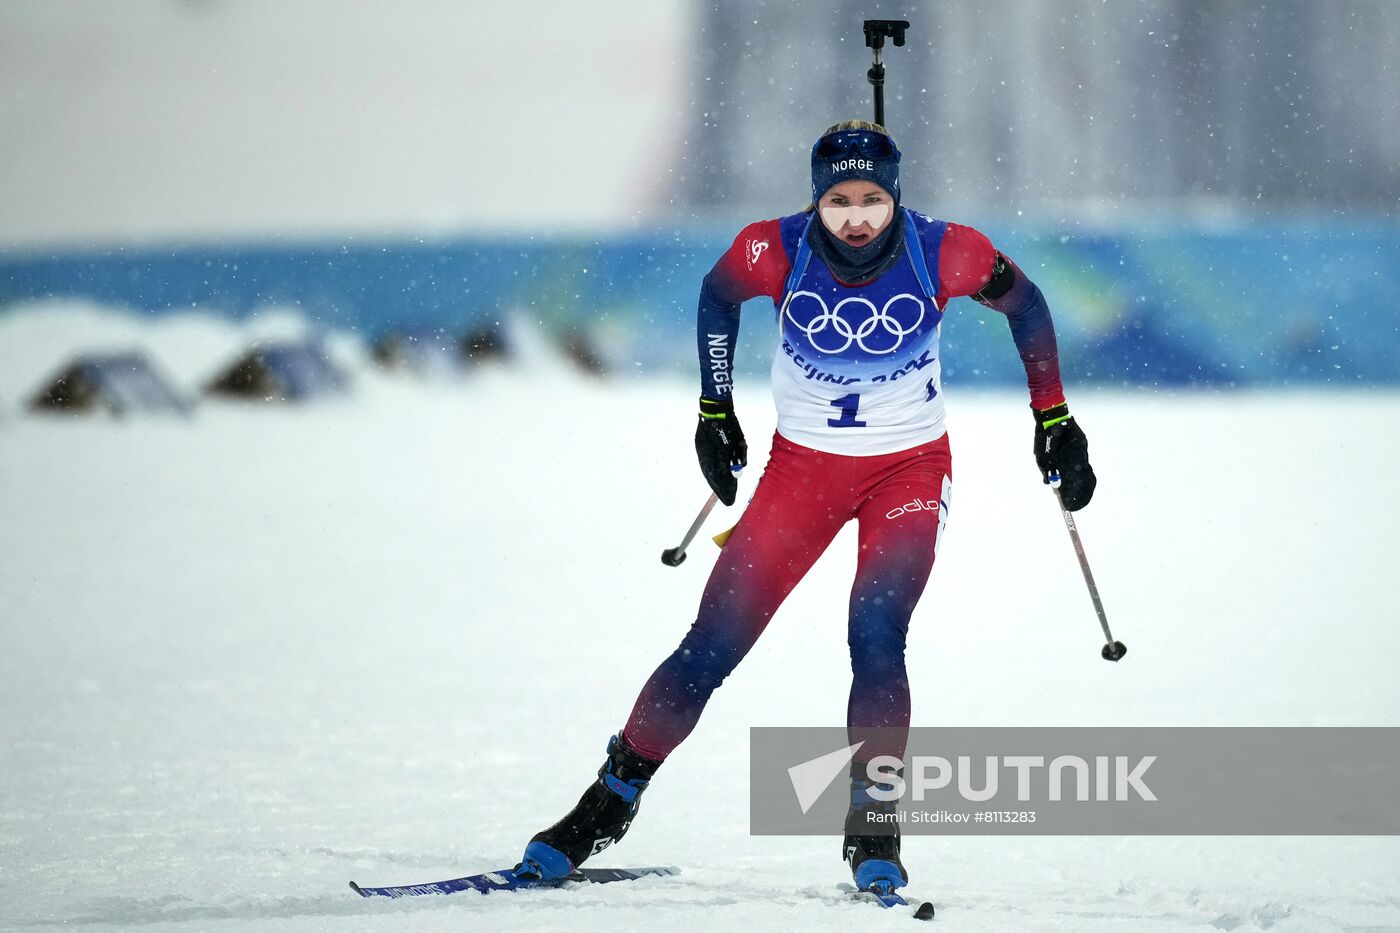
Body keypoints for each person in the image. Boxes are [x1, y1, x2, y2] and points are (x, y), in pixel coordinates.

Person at [515, 119, 1096, 894]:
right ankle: (605, 802)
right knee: (710, 647)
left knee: (877, 635)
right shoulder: (771, 248)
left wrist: (1053, 417)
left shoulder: (947, 249)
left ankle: (875, 826)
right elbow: (718, 296)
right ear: (814, 200)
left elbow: (1027, 305)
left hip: (908, 472)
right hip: (801, 474)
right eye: (837, 200)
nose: (855, 217)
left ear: (895, 196)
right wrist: (714, 408)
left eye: (871, 200)